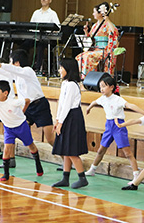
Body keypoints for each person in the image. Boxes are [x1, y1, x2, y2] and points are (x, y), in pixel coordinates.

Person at [0, 49, 55, 147]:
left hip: (40, 106)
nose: (10, 64)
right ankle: (11, 159)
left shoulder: (27, 71)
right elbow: (3, 72)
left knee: (50, 139)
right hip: (28, 107)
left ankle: (66, 159)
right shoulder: (16, 75)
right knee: (17, 130)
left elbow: (12, 69)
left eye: (11, 62)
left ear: (17, 63)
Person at [84, 76, 144, 183]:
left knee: (127, 153)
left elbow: (130, 105)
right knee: (100, 150)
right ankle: (92, 169)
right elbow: (94, 102)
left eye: (104, 86)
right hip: (109, 126)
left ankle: (136, 174)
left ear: (112, 87)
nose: (101, 89)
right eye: (100, 87)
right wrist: (89, 108)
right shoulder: (102, 98)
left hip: (119, 126)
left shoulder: (118, 99)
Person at [51, 58, 88, 189]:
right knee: (66, 149)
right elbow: (61, 103)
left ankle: (82, 178)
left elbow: (67, 105)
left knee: (72, 150)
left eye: (62, 67)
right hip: (66, 116)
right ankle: (65, 178)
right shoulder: (65, 83)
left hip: (73, 117)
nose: (59, 70)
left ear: (69, 69)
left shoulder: (72, 84)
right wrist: (57, 119)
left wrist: (60, 122)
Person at [75, 2, 119, 80]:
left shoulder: (108, 24)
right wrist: (86, 32)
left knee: (87, 56)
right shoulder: (95, 25)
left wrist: (108, 20)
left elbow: (114, 32)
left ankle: (88, 78)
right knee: (80, 56)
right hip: (96, 49)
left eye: (94, 12)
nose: (93, 14)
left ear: (100, 14)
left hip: (104, 50)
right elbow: (90, 38)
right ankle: (81, 77)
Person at [19, 0, 60, 75]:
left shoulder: (53, 13)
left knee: (41, 46)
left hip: (46, 39)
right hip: (35, 37)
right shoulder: (36, 12)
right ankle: (23, 66)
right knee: (23, 45)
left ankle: (38, 69)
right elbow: (31, 26)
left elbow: (58, 27)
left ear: (50, 1)